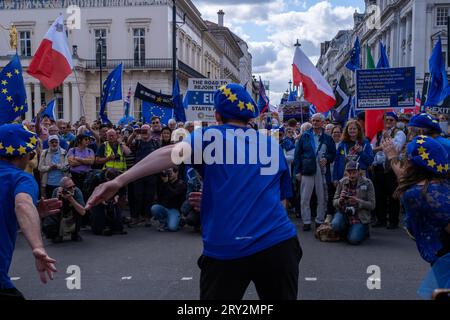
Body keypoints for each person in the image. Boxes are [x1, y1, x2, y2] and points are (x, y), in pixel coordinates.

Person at [87, 84, 302, 300]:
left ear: (217, 115)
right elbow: (279, 200)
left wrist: (119, 180)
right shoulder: (271, 144)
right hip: (279, 244)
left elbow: (169, 153)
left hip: (228, 246)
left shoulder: (212, 136)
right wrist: (218, 200)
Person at [0, 124, 61, 300]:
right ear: (24, 154)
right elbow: (23, 204)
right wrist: (38, 247)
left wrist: (34, 214)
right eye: (32, 154)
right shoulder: (21, 178)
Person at [383, 135, 450, 265]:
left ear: (413, 165)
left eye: (406, 158)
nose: (404, 163)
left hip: (444, 258)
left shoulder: (417, 194)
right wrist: (392, 157)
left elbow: (406, 183)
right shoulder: (439, 183)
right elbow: (406, 180)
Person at [294, 113, 336, 231]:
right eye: (313, 121)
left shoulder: (327, 138)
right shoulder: (305, 136)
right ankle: (306, 221)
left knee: (321, 196)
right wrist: (297, 171)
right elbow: (297, 154)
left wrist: (326, 158)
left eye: (317, 121)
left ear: (322, 123)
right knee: (305, 197)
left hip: (321, 169)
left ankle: (319, 220)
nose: (315, 123)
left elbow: (333, 154)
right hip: (307, 168)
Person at [372, 112, 407, 229]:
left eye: (391, 120)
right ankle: (380, 219)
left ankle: (393, 221)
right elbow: (371, 147)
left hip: (392, 166)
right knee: (379, 194)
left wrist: (386, 139)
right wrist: (380, 147)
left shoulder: (399, 133)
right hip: (379, 166)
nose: (388, 122)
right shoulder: (378, 132)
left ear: (395, 121)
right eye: (386, 120)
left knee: (393, 195)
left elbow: (395, 148)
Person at [331, 161, 375, 245]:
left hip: (359, 216)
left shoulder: (368, 183)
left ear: (359, 172)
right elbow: (334, 201)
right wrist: (340, 200)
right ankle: (348, 228)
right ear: (346, 173)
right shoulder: (342, 182)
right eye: (349, 172)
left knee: (353, 240)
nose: (351, 175)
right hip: (344, 212)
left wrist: (358, 201)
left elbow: (372, 205)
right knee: (335, 225)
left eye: (354, 172)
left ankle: (364, 230)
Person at [127, 124, 160, 226]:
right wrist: (134, 134)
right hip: (138, 173)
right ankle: (135, 217)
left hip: (151, 173)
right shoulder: (137, 142)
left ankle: (147, 217)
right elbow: (127, 144)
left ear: (150, 131)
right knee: (137, 196)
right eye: (143, 131)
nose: (145, 133)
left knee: (149, 196)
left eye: (146, 130)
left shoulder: (155, 143)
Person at [42, 177, 86, 243]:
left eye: (73, 186)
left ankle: (75, 232)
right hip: (61, 213)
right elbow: (52, 210)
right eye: (69, 187)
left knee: (77, 210)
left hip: (73, 213)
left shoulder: (77, 191)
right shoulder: (56, 191)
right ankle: (57, 233)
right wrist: (58, 198)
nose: (72, 189)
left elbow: (83, 212)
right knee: (54, 215)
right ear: (63, 188)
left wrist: (71, 199)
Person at [90, 168, 127, 236]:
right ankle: (99, 228)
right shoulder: (97, 178)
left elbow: (123, 190)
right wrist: (101, 199)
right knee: (98, 211)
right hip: (98, 196)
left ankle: (117, 227)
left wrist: (117, 196)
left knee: (117, 208)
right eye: (109, 180)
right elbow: (92, 192)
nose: (110, 182)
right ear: (105, 176)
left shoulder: (121, 177)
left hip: (113, 194)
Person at [152, 166, 187, 232]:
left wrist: (166, 183)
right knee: (154, 208)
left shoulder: (181, 184)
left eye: (170, 172)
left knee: (172, 228)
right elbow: (160, 195)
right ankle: (164, 222)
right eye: (167, 173)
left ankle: (179, 221)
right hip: (164, 208)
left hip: (174, 210)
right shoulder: (166, 182)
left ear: (176, 173)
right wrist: (162, 182)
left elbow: (172, 194)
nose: (169, 174)